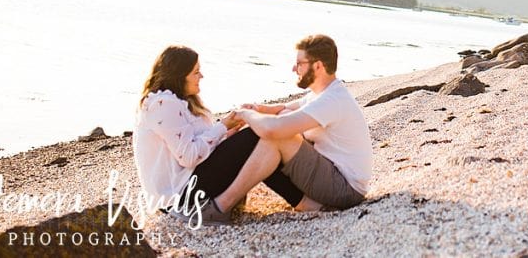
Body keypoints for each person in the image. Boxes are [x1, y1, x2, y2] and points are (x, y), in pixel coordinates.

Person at [197, 34, 373, 225]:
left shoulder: (331, 100)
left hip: (344, 189)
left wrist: (245, 115)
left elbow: (275, 130)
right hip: (335, 179)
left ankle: (220, 207)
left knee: (277, 136)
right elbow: (287, 108)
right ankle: (303, 204)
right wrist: (258, 109)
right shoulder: (324, 94)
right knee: (276, 124)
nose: (293, 68)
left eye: (299, 63)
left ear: (318, 66)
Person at [132, 45, 303, 225]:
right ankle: (301, 200)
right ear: (179, 76)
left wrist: (228, 131)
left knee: (257, 139)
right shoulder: (161, 104)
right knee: (256, 135)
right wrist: (222, 126)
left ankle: (302, 200)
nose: (201, 76)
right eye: (195, 72)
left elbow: (196, 142)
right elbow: (189, 156)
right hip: (180, 197)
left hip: (190, 182)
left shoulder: (179, 101)